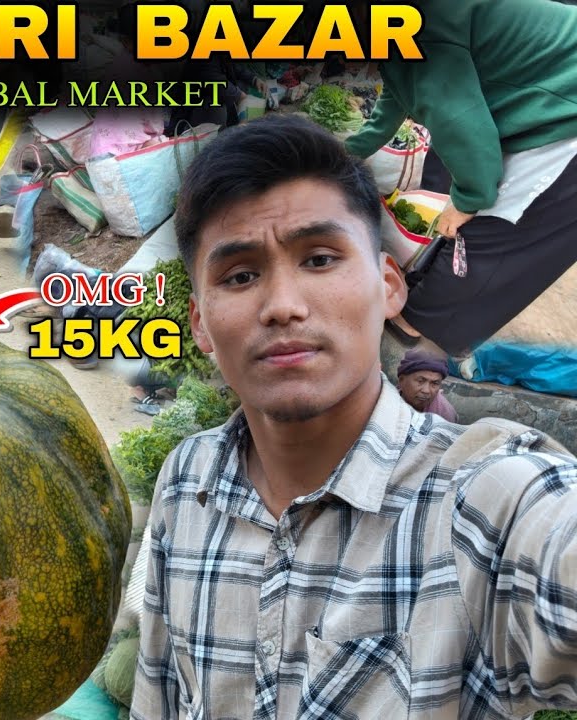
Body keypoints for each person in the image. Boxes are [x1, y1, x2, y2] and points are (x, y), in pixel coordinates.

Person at [132, 115, 577, 718]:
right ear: (201, 324)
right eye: (240, 275)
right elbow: (157, 695)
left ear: (390, 285)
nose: (283, 306)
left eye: (319, 259)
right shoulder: (187, 480)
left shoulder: (482, 502)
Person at [344, 0, 577, 357]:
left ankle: (421, 326)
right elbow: (394, 101)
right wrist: (345, 154)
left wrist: (468, 200)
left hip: (565, 117)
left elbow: (461, 122)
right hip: (548, 93)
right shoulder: (398, 28)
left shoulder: (419, 28)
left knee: (496, 231)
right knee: (459, 188)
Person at [396, 349, 459, 422]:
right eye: (420, 381)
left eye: (434, 383)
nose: (426, 391)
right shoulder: (386, 402)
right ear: (401, 380)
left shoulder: (445, 415)